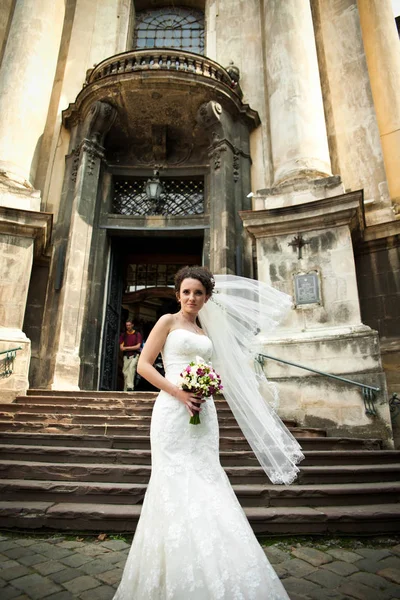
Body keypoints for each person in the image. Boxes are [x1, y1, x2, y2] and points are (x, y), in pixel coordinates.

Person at [113, 266, 303, 599]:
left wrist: (210, 384)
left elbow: (217, 369)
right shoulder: (167, 323)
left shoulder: (205, 332)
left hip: (204, 413)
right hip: (172, 412)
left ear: (207, 297)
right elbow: (144, 365)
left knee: (207, 478)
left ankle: (217, 560)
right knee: (172, 482)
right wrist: (179, 392)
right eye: (186, 292)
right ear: (177, 295)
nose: (192, 298)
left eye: (198, 293)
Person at [119, 319, 142, 391]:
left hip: (135, 355)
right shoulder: (124, 335)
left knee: (131, 369)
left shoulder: (137, 334)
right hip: (126, 356)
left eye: (129, 325)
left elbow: (138, 346)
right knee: (125, 372)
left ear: (132, 325)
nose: (128, 326)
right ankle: (125, 390)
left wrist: (126, 348)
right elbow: (121, 348)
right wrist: (131, 348)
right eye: (127, 325)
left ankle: (130, 387)